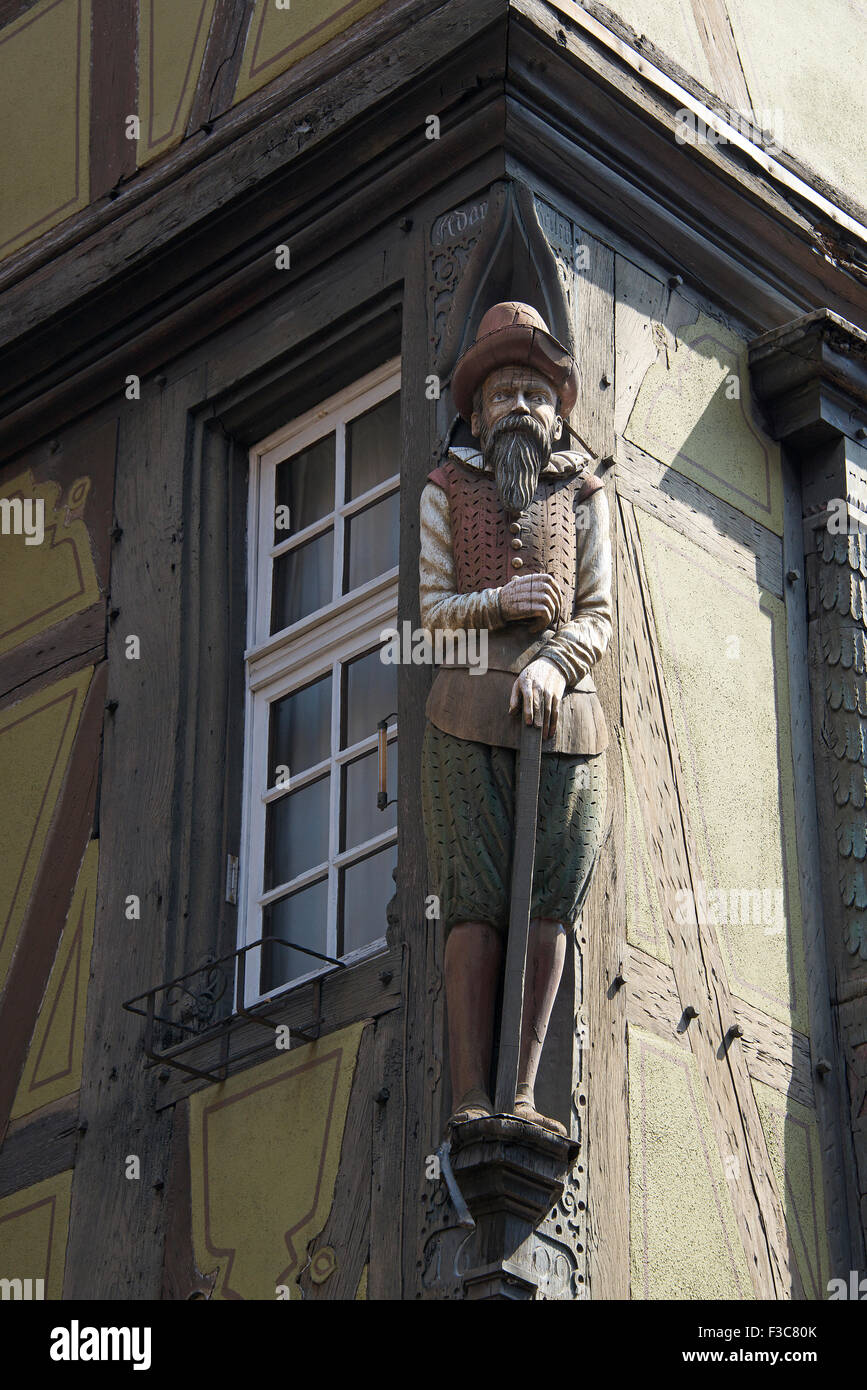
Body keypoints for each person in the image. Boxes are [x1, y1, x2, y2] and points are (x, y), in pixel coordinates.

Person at [419, 301, 611, 1135]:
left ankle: (525, 1091)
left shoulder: (584, 492)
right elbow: (430, 610)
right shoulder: (446, 489)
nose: (523, 409)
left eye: (537, 393)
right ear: (474, 412)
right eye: (505, 394)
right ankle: (471, 1090)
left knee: (548, 903)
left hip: (568, 725)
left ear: (558, 411)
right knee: (475, 899)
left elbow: (599, 612)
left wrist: (553, 662)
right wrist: (500, 601)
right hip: (464, 713)